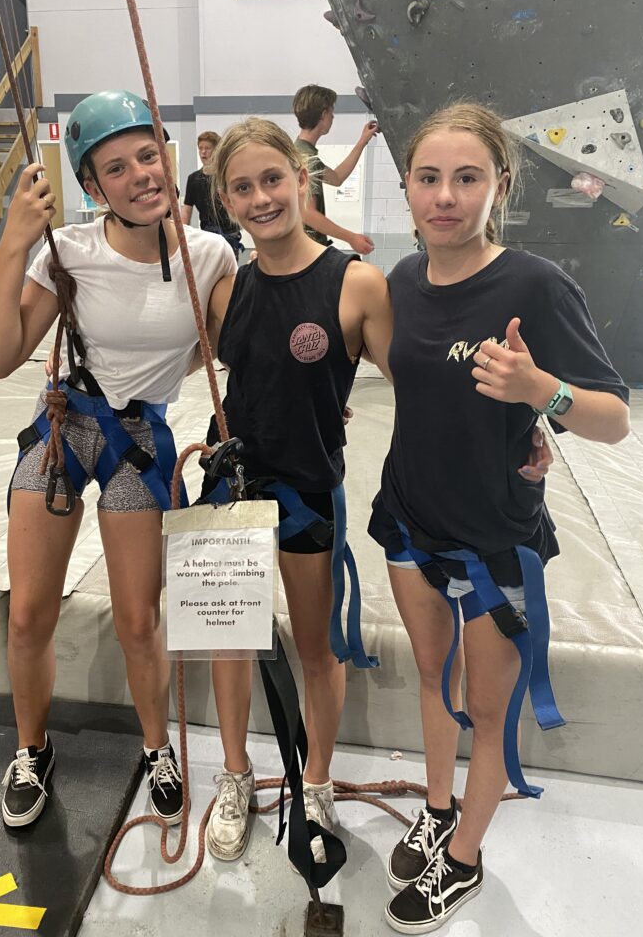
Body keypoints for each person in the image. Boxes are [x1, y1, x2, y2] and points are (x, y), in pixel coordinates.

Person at [366, 102, 629, 933]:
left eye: (467, 178)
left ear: (499, 187)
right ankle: (437, 810)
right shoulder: (402, 281)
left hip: (495, 539)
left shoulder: (535, 285)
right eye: (429, 178)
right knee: (433, 686)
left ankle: (467, 859)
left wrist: (539, 395)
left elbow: (613, 415)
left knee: (486, 706)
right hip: (409, 519)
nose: (446, 195)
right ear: (407, 188)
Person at [0, 90, 237, 830]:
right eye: (116, 168)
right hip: (67, 427)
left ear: (168, 159)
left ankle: (157, 748)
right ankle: (31, 748)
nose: (141, 175)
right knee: (27, 613)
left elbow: (233, 350)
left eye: (149, 157)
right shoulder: (71, 255)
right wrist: (17, 242)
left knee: (137, 617)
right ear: (93, 189)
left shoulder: (208, 254)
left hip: (141, 442)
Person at [192, 115, 394, 864]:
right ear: (226, 199)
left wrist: (516, 421)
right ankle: (238, 774)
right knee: (231, 640)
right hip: (234, 487)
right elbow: (216, 363)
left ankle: (315, 779)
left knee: (314, 648)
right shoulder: (226, 287)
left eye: (272, 180)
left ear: (301, 179)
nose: (260, 197)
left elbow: (417, 387)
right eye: (241, 187)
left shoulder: (356, 283)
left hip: (308, 491)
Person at [292, 83, 379, 257]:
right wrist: (351, 237)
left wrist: (362, 141)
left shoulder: (300, 151)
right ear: (323, 115)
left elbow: (337, 177)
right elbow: (308, 213)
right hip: (306, 251)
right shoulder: (307, 160)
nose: (332, 117)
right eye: (331, 113)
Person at [182, 130, 244, 259]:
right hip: (207, 235)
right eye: (200, 148)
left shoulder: (226, 176)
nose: (203, 152)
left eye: (207, 148)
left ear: (217, 150)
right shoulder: (193, 179)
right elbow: (187, 210)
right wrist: (182, 235)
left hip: (229, 233)